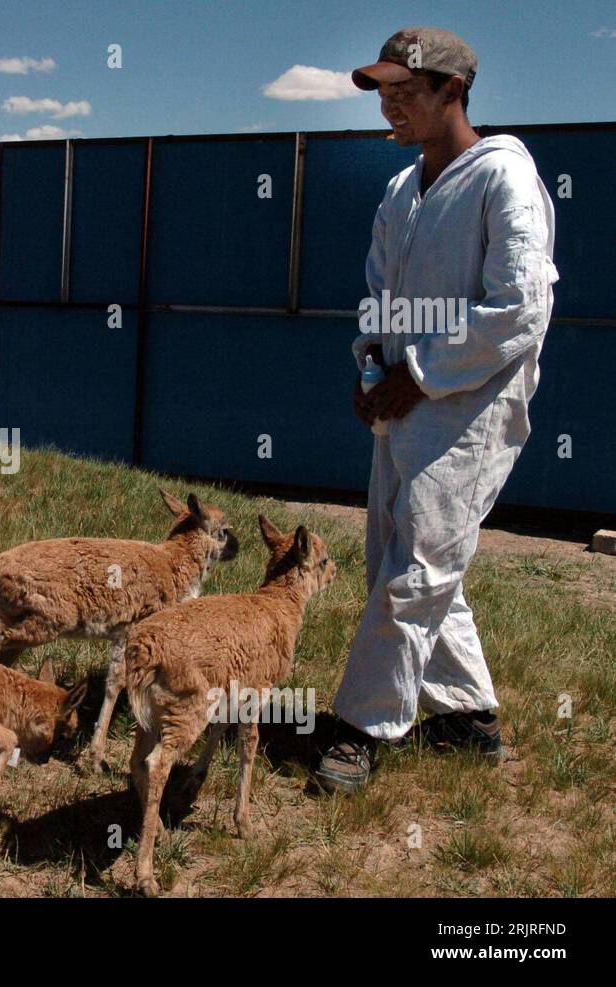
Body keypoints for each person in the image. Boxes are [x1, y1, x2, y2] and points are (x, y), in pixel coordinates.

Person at [315, 27, 558, 792]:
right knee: (403, 557)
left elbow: (519, 308)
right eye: (383, 94)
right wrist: (370, 362)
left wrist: (417, 375)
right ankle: (467, 714)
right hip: (403, 395)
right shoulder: (402, 188)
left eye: (405, 92)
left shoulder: (503, 178)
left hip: (472, 403)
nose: (390, 108)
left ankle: (361, 727)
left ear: (453, 90)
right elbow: (380, 293)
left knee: (417, 565)